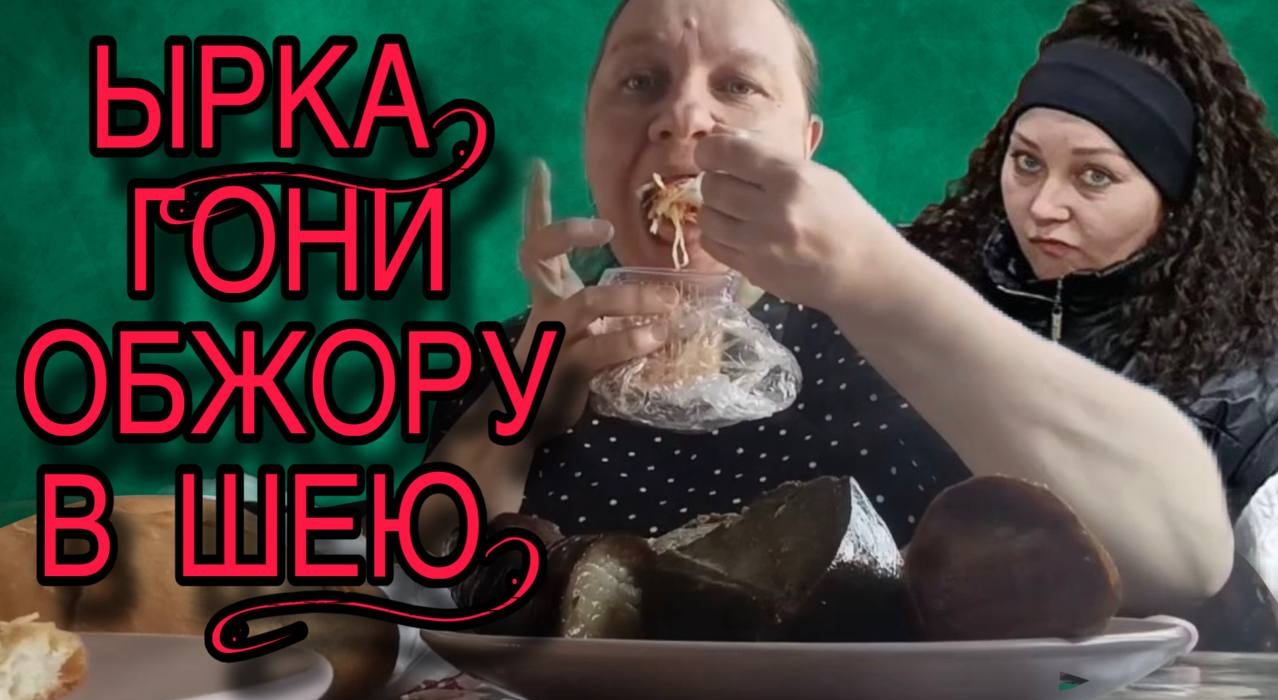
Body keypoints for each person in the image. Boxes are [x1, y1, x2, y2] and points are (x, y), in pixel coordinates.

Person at [419, 0, 1234, 618]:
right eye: (641, 82)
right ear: (590, 132)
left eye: (737, 85)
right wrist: (515, 415)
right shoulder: (510, 355)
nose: (684, 117)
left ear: (806, 148)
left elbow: (1185, 555)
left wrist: (872, 274)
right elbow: (419, 591)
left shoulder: (912, 332)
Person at [906, 0, 1278, 526]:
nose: (1043, 207)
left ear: (1179, 199)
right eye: (1027, 162)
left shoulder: (1252, 396)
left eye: (1094, 176)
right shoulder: (918, 284)